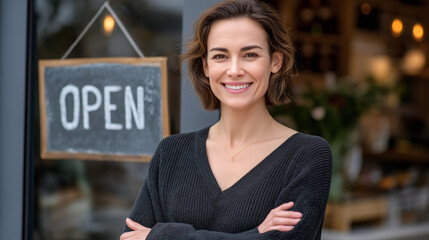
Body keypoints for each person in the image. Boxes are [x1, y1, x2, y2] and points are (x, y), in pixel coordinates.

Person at [120, 0, 332, 239]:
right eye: (220, 56)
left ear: (275, 61)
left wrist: (162, 235)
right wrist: (255, 235)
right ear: (206, 66)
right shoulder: (170, 153)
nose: (234, 70)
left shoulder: (308, 155)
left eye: (250, 54)